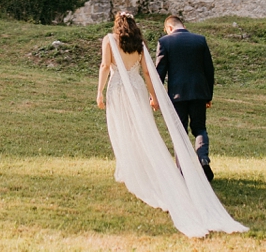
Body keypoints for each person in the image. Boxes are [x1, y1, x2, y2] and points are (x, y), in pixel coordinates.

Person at [97, 12, 247, 238]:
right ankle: (194, 160)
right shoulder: (145, 42)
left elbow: (108, 66)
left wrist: (99, 92)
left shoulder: (117, 40)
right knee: (163, 130)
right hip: (153, 89)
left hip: (131, 90)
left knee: (131, 130)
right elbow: (150, 72)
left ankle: (144, 169)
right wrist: (155, 95)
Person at [155, 15, 216, 182]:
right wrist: (208, 95)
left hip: (177, 95)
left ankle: (182, 170)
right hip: (198, 93)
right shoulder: (200, 40)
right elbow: (209, 70)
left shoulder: (165, 42)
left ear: (169, 28)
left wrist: (154, 96)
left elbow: (159, 72)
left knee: (180, 131)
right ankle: (203, 158)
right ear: (183, 25)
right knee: (199, 128)